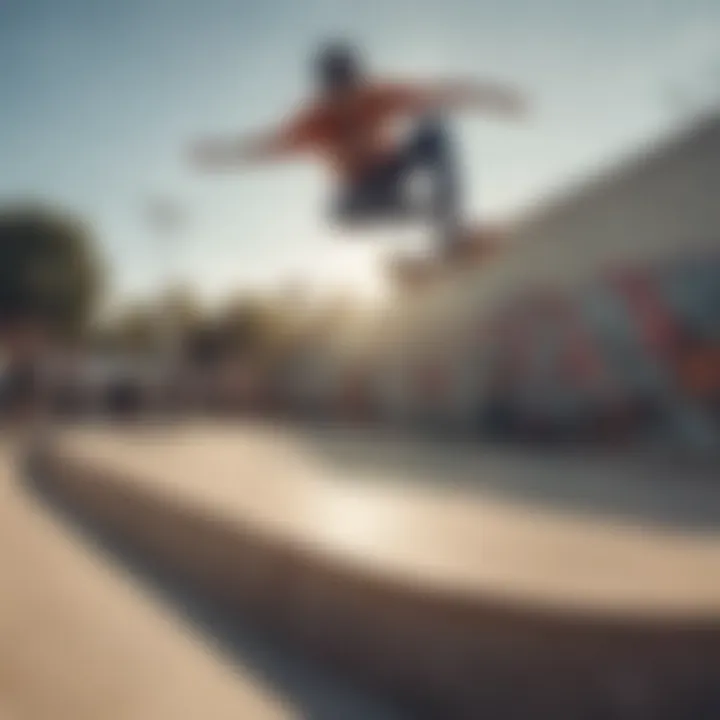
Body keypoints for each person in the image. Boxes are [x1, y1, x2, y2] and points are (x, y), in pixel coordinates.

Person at [190, 41, 527, 256]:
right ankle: (437, 222)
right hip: (361, 190)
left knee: (434, 125)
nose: (348, 103)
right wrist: (219, 154)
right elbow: (264, 148)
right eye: (338, 96)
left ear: (360, 82)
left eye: (352, 91)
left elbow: (441, 92)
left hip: (395, 166)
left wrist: (495, 97)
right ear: (325, 93)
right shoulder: (311, 122)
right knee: (337, 215)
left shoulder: (379, 94)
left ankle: (453, 232)